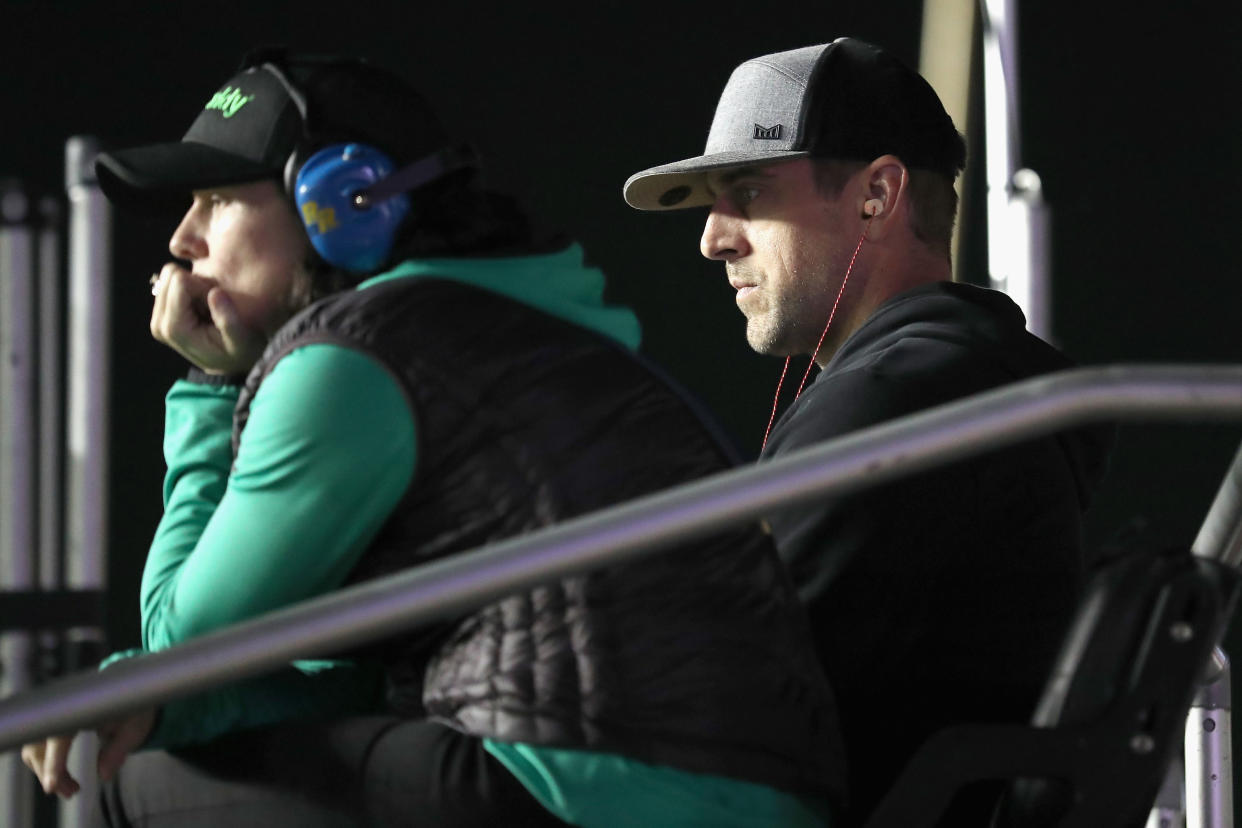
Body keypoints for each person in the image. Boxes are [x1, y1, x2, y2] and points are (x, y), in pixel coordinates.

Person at [20, 50, 845, 827]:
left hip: (596, 787)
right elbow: (349, 680)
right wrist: (164, 703)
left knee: (128, 778)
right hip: (747, 796)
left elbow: (180, 642)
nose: (181, 240)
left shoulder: (354, 357)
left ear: (344, 201)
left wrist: (207, 387)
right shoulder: (515, 327)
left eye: (218, 200)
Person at [624, 37, 1113, 825]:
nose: (713, 238)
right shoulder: (963, 385)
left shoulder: (890, 406)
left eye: (746, 192)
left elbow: (712, 708)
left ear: (877, 195)